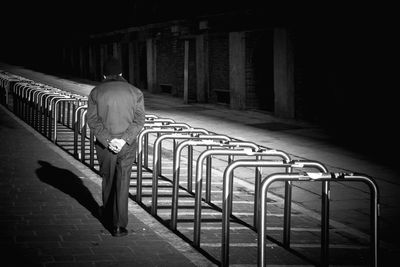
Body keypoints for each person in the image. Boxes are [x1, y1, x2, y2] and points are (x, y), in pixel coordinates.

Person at [86, 57, 145, 237]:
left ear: (104, 74)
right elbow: (139, 120)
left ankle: (107, 216)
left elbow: (93, 120)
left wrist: (108, 140)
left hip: (105, 146)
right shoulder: (135, 92)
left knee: (108, 180)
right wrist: (124, 139)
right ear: (121, 73)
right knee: (123, 181)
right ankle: (120, 225)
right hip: (127, 145)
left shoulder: (96, 92)